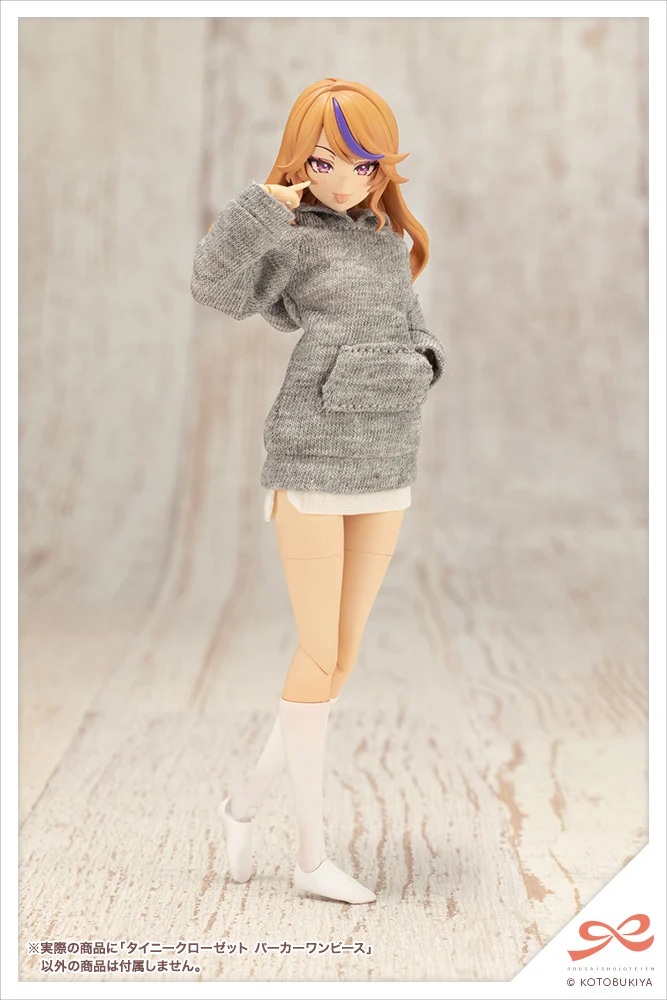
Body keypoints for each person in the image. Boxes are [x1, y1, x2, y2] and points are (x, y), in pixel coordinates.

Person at [191, 78, 446, 904]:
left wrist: (421, 364)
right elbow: (214, 288)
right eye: (326, 162)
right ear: (299, 162)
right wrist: (256, 209)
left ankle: (239, 809)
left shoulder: (384, 240)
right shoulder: (290, 233)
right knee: (317, 653)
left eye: (364, 165)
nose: (345, 181)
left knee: (337, 661)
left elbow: (410, 323)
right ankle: (308, 856)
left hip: (387, 456)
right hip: (311, 454)